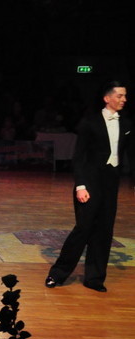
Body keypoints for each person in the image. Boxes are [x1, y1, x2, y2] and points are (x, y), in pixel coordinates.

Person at [46, 81, 131, 292]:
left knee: (104, 231)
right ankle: (57, 273)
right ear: (107, 98)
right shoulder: (89, 123)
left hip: (111, 182)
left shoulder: (126, 123)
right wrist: (80, 185)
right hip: (90, 181)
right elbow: (79, 157)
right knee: (83, 228)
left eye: (125, 96)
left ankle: (94, 278)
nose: (124, 99)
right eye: (120, 96)